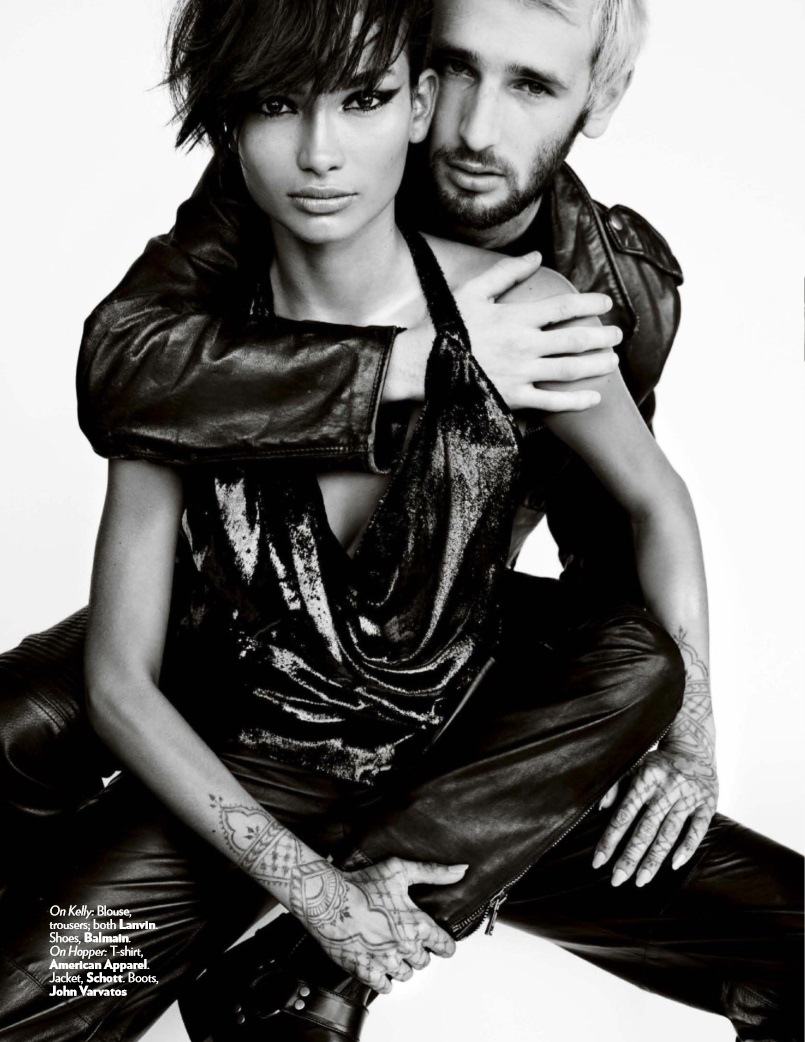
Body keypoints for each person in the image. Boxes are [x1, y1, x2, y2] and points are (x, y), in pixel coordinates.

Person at [0, 2, 801, 1041]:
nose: (473, 127)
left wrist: (679, 749)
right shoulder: (190, 352)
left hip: (464, 771)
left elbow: (647, 516)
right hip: (229, 765)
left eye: (531, 85)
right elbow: (121, 674)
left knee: (646, 676)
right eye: (456, 69)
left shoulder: (562, 299)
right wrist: (312, 889)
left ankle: (296, 978)